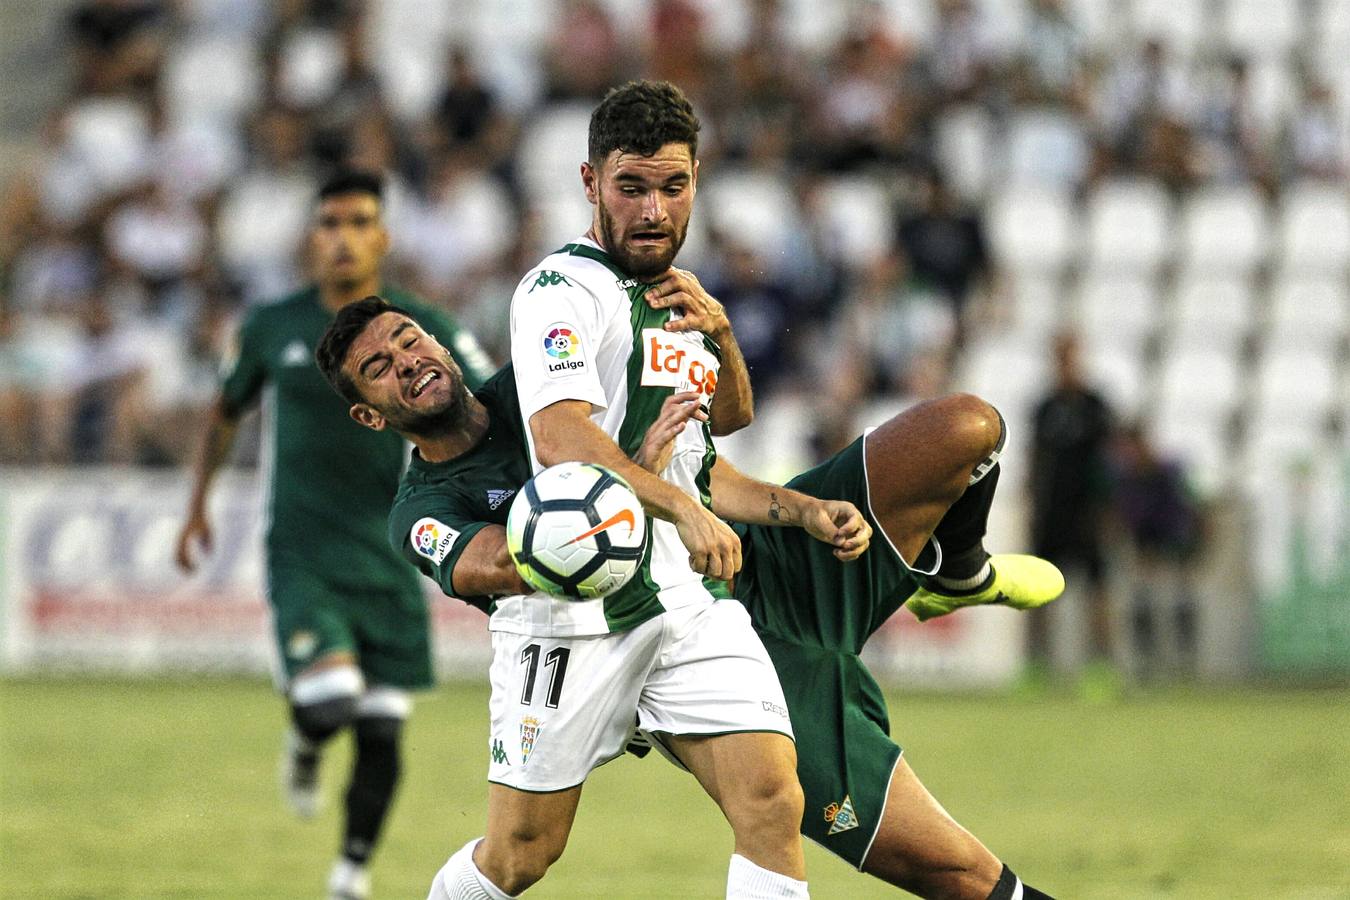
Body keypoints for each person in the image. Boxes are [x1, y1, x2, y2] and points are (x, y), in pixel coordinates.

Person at [315, 296, 1062, 899]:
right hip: (659, 638)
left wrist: (795, 501)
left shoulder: (545, 390)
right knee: (955, 873)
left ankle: (955, 573)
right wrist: (634, 484)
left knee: (966, 427)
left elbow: (708, 457)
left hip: (757, 561)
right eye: (379, 368)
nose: (407, 363)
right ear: (369, 415)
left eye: (408, 340)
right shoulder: (419, 511)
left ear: (440, 341)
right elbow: (501, 566)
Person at [174, 170, 495, 900]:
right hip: (304, 548)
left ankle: (350, 874)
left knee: (383, 726)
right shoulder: (269, 327)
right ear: (309, 239)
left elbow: (493, 394)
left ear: (382, 237)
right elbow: (224, 413)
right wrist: (197, 507)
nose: (342, 237)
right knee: (331, 703)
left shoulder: (422, 325)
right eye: (328, 223)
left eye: (358, 222)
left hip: (392, 547)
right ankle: (307, 737)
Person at [1027, 331, 1115, 681]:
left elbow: (1109, 463)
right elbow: (1035, 460)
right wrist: (1033, 504)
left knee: (1097, 592)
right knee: (1037, 594)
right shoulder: (1044, 407)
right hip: (1051, 513)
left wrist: (1107, 510)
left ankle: (1100, 668)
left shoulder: (1095, 406)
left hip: (1087, 514)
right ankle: (1036, 666)